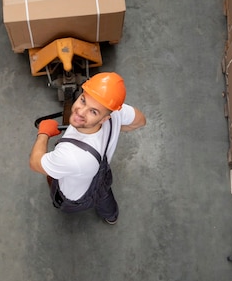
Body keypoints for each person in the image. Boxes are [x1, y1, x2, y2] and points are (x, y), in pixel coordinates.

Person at [29, 72, 146, 224]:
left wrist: (43, 133)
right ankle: (111, 216)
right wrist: (115, 128)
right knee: (104, 194)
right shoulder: (113, 109)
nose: (80, 112)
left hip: (77, 197)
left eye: (93, 111)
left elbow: (35, 163)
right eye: (83, 100)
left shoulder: (71, 155)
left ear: (104, 119)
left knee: (60, 195)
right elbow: (140, 121)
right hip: (101, 174)